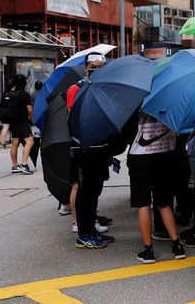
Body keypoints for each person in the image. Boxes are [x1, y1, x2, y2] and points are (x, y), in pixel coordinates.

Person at [67, 52, 115, 248]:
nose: (96, 69)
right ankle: (83, 233)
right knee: (85, 191)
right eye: (93, 66)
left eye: (100, 66)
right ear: (86, 67)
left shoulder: (107, 89)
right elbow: (71, 118)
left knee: (95, 190)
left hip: (101, 146)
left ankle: (91, 229)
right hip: (83, 146)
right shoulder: (75, 88)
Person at [128, 113, 186, 263]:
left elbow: (128, 134)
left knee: (143, 204)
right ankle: (176, 246)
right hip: (165, 156)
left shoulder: (136, 104)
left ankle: (148, 250)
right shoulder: (172, 102)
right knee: (164, 203)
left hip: (140, 159)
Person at [8, 74, 35, 174]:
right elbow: (29, 109)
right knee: (30, 141)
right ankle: (24, 164)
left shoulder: (11, 93)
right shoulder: (24, 94)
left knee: (15, 143)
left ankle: (15, 166)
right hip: (23, 122)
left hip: (13, 122)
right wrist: (32, 119)